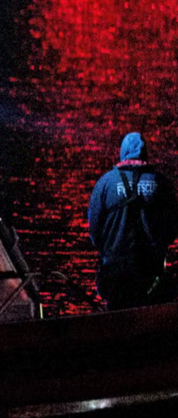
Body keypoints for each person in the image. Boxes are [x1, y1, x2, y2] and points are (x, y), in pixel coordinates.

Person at [88, 132, 178, 310]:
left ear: (122, 153)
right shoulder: (161, 183)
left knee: (117, 319)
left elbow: (94, 228)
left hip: (115, 271)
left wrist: (106, 250)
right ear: (145, 153)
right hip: (150, 272)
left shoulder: (105, 183)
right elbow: (173, 226)